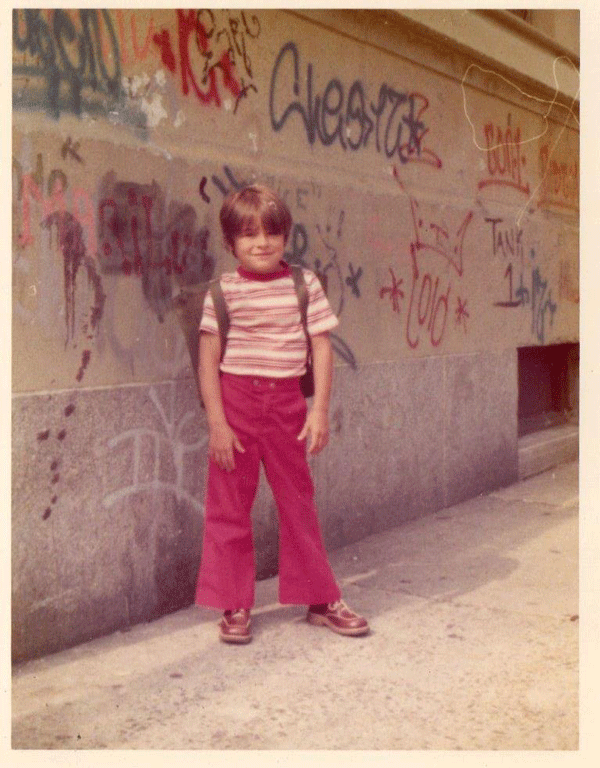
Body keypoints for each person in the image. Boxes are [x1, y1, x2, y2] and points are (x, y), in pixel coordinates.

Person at [194, 184, 369, 644]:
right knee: (230, 504)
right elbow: (207, 360)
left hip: (287, 404)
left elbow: (322, 346)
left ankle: (320, 598)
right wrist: (217, 422)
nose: (262, 243)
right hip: (235, 406)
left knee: (298, 500)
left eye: (272, 233)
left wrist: (320, 411)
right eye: (249, 235)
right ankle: (234, 604)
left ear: (285, 236)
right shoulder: (221, 292)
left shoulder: (304, 284)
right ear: (231, 242)